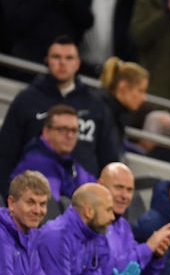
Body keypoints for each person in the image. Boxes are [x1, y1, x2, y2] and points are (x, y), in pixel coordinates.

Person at [0, 35, 119, 199]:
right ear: (47, 61)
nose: (62, 63)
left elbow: (109, 158)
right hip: (35, 194)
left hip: (85, 196)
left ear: (77, 63)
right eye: (56, 57)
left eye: (69, 58)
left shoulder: (96, 105)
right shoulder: (26, 100)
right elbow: (6, 153)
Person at [10, 104, 96, 201]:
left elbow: (93, 188)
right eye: (63, 129)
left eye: (74, 130)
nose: (70, 136)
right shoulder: (38, 163)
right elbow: (53, 208)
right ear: (46, 132)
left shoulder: (68, 161)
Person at [96, 56, 150, 154]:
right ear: (123, 86)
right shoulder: (100, 111)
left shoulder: (118, 114)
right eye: (140, 91)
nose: (144, 98)